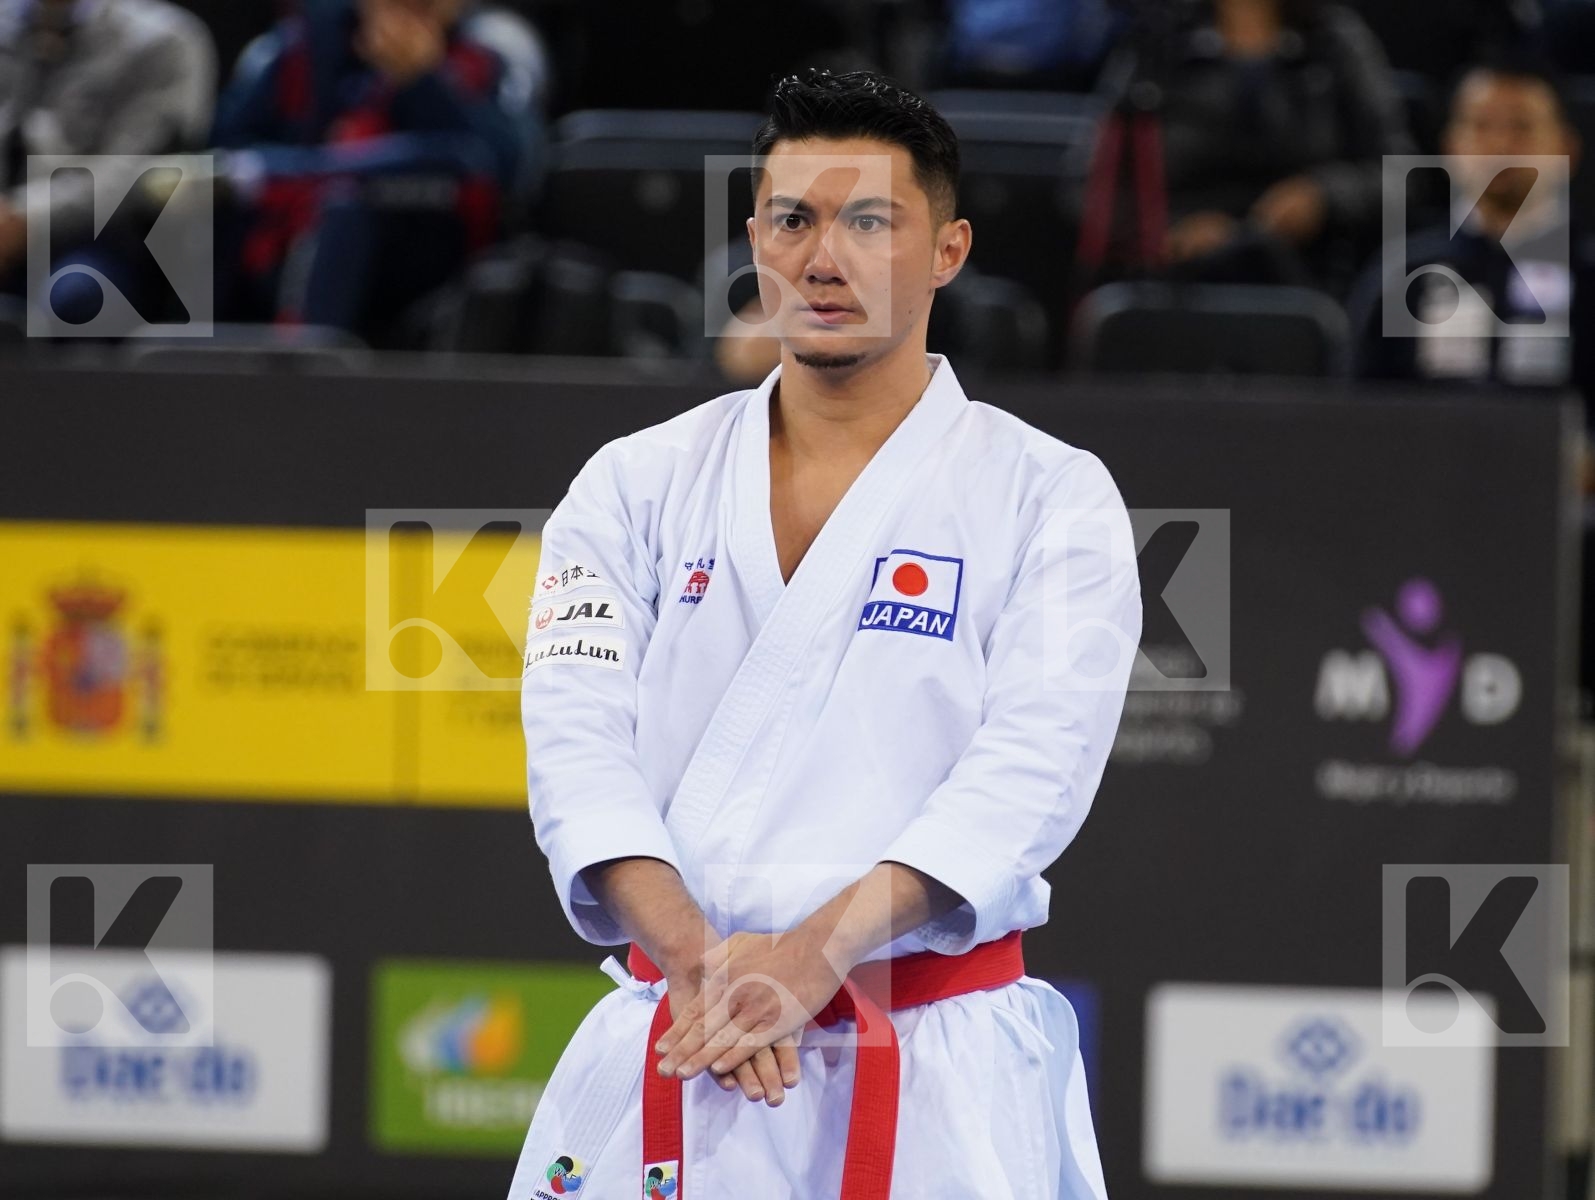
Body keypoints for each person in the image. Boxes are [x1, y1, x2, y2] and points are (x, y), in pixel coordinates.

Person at [509, 69, 1141, 1200]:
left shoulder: (1048, 493)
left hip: (934, 1061)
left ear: (946, 250)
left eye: (868, 221)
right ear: (754, 235)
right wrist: (713, 969)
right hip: (685, 1033)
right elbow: (573, 748)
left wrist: (817, 953)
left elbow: (1030, 775)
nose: (821, 258)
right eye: (792, 219)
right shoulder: (634, 484)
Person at [210, 0, 546, 341]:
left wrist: (424, 81)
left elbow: (508, 171)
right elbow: (228, 155)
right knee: (182, 197)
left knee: (354, 200)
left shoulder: (489, 54)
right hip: (289, 248)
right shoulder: (301, 48)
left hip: (435, 261)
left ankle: (310, 373)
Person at [1349, 55, 1591, 399]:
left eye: (1521, 127)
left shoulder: (1587, 274)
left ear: (1567, 148)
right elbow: (1358, 415)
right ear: (1450, 146)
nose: (1500, 146)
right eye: (1481, 126)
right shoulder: (1404, 275)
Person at [1146, 0, 1412, 292]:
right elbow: (1103, 187)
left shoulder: (1335, 39)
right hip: (1178, 284)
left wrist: (1323, 195)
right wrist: (1171, 229)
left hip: (1311, 274)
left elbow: (1402, 174)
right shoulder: (1160, 37)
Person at [0, 0, 216, 305]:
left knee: (76, 297)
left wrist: (25, 218)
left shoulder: (162, 39)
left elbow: (134, 172)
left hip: (101, 236)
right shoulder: (8, 27)